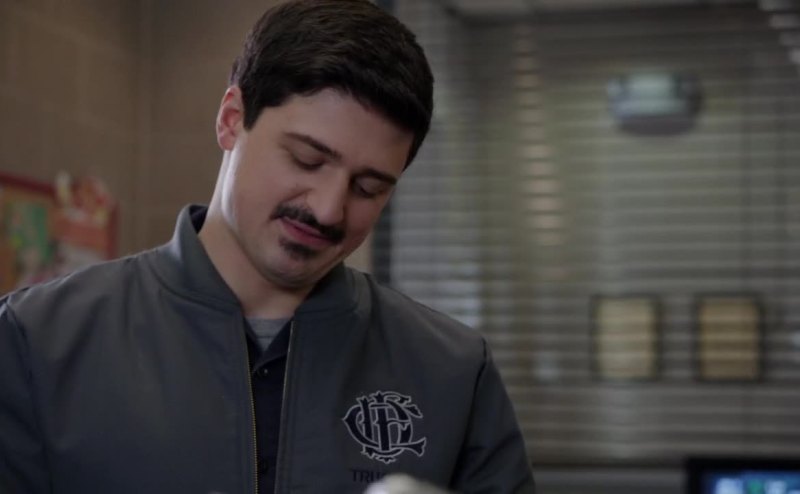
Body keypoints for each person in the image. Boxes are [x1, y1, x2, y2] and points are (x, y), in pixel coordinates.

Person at [0, 1, 535, 493]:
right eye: (307, 160)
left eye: (369, 187)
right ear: (232, 120)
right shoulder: (34, 343)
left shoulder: (453, 372)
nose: (329, 209)